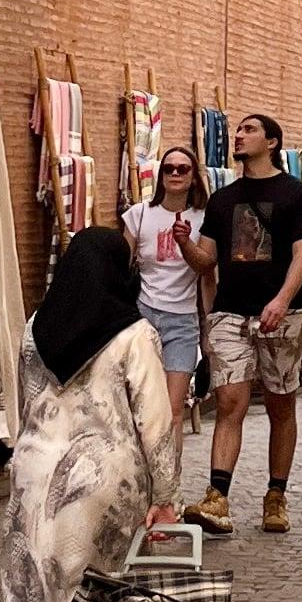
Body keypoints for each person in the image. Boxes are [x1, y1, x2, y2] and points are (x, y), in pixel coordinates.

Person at [0, 227, 184, 602]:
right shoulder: (134, 334)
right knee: (96, 594)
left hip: (34, 478)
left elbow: (25, 408)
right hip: (105, 484)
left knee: (34, 594)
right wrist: (167, 499)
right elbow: (156, 422)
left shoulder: (35, 328)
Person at [185, 109, 302, 535]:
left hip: (284, 312)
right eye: (238, 130)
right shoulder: (223, 199)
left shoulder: (297, 195)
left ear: (272, 142)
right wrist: (184, 245)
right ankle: (217, 499)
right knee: (230, 403)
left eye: (249, 130)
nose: (239, 136)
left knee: (281, 404)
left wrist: (281, 300)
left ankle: (276, 495)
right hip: (230, 310)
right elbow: (208, 259)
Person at [123, 142, 210, 415]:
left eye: (183, 169)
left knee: (173, 411)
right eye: (168, 168)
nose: (175, 173)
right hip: (142, 313)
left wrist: (209, 329)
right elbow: (122, 266)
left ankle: (171, 460)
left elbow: (207, 272)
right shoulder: (139, 214)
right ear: (161, 176)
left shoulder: (204, 219)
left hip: (183, 320)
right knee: (140, 405)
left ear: (193, 176)